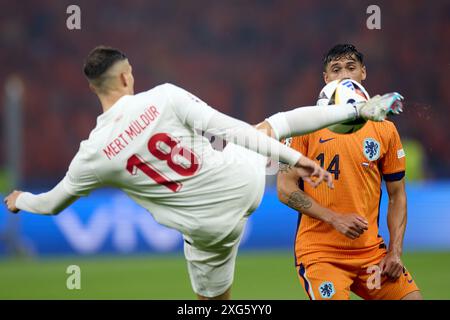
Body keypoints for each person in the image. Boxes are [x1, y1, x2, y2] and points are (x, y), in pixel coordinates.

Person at [3, 46, 401, 300]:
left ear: (94, 89)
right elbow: (231, 130)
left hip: (208, 229)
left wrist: (20, 200)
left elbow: (53, 204)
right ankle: (357, 109)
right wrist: (294, 158)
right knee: (273, 124)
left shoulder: (92, 155)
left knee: (214, 302)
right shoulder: (165, 96)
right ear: (127, 76)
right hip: (241, 182)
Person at [277, 44, 422, 300]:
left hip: (371, 255)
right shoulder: (303, 126)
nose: (344, 75)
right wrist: (334, 218)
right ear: (326, 80)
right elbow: (285, 189)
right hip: (321, 256)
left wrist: (395, 251)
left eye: (351, 68)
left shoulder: (385, 130)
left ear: (363, 73)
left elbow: (397, 195)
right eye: (336, 70)